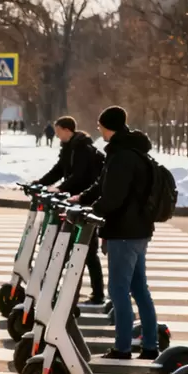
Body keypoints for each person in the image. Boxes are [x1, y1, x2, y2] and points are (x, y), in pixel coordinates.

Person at [73, 106, 160, 360]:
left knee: (119, 290)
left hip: (124, 230)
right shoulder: (127, 151)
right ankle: (150, 345)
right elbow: (103, 185)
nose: (98, 129)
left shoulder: (122, 156)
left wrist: (90, 210)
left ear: (108, 126)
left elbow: (113, 196)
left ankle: (122, 348)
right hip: (137, 230)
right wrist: (82, 198)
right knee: (139, 289)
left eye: (100, 125)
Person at [35, 116, 107, 304]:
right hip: (73, 202)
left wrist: (61, 188)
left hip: (83, 202)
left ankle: (95, 293)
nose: (57, 136)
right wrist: (41, 183)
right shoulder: (70, 148)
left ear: (67, 130)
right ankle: (71, 291)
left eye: (58, 132)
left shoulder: (81, 148)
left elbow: (80, 176)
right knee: (74, 246)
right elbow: (59, 170)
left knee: (88, 249)